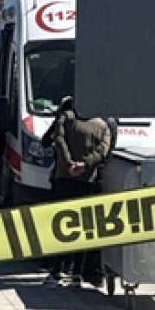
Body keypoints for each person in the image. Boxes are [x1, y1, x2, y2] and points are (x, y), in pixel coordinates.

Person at [42, 97, 112, 287]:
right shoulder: (102, 125)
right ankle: (77, 274)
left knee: (59, 226)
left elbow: (58, 139)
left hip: (63, 179)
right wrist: (85, 165)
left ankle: (56, 271)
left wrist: (69, 164)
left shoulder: (66, 118)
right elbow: (103, 151)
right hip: (87, 181)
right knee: (81, 228)